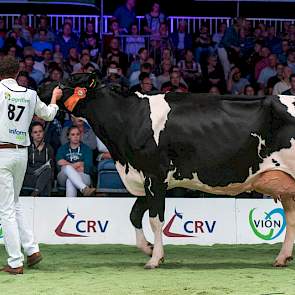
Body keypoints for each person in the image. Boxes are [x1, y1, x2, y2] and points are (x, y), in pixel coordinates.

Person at [0, 56, 62, 274]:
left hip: (2, 153)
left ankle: (15, 262)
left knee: (5, 210)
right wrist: (55, 97)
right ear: (18, 72)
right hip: (21, 153)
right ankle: (32, 250)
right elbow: (49, 114)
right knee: (14, 203)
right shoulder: (30, 94)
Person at [56, 126, 96, 197]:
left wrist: (67, 165)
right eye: (73, 134)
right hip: (63, 177)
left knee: (70, 180)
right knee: (67, 169)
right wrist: (78, 164)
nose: (76, 136)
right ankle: (84, 188)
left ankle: (70, 206)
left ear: (80, 135)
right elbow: (59, 165)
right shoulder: (62, 149)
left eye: (78, 134)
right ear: (68, 136)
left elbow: (87, 168)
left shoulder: (86, 149)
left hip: (83, 176)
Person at [23, 122, 55, 197]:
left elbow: (52, 167)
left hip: (45, 176)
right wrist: (39, 171)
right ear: (31, 134)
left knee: (48, 171)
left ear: (43, 132)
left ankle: (37, 191)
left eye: (40, 131)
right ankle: (41, 196)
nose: (38, 134)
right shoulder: (28, 148)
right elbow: (25, 167)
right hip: (30, 177)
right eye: (35, 132)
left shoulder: (49, 148)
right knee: (46, 179)